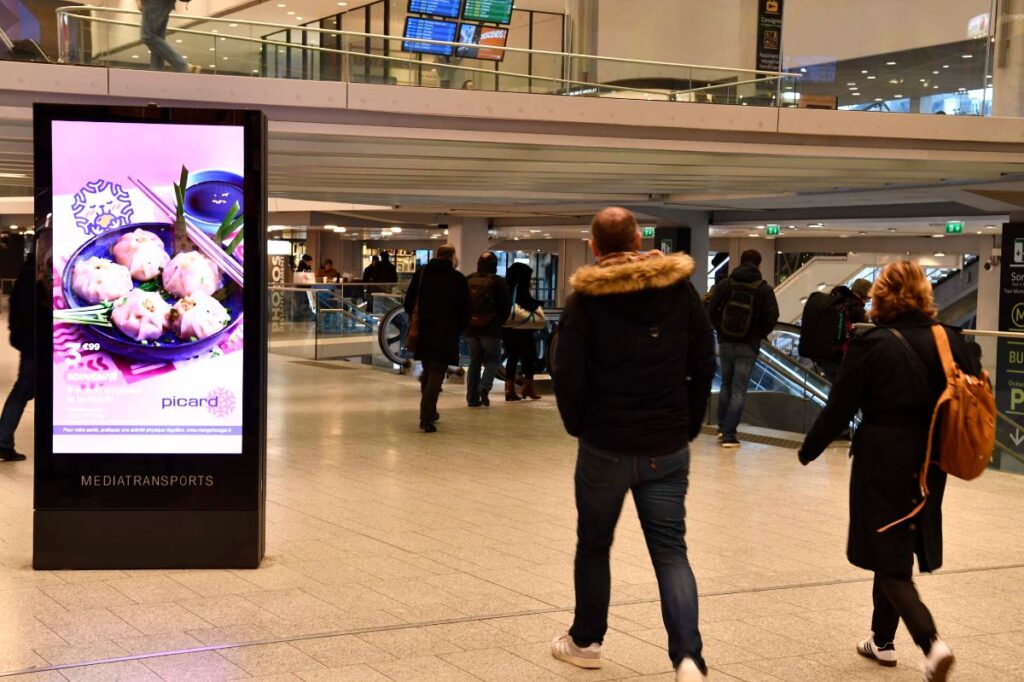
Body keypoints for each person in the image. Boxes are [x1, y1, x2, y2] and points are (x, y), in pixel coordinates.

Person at [550, 207, 715, 682]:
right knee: (670, 551)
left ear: (593, 246)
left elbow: (568, 373)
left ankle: (585, 641)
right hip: (667, 443)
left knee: (594, 545)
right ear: (640, 239)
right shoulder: (680, 292)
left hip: (604, 444)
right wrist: (686, 421)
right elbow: (705, 359)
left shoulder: (586, 301)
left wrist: (578, 424)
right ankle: (687, 658)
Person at [798, 262, 972, 682]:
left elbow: (840, 405)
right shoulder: (951, 340)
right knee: (899, 542)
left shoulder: (871, 342)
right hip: (933, 459)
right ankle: (882, 638)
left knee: (887, 555)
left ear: (883, 296)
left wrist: (810, 449)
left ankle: (932, 644)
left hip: (882, 458)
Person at [707, 249, 779, 448]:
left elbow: (711, 310)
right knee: (739, 390)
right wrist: (757, 334)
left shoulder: (725, 284)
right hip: (748, 345)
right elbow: (772, 316)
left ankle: (722, 428)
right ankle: (729, 435)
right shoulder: (763, 289)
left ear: (741, 261)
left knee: (725, 386)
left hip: (725, 342)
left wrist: (721, 331)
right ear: (759, 264)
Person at [403, 244, 469, 433]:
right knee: (437, 373)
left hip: (423, 331)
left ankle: (431, 412)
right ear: (452, 258)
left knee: (428, 370)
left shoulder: (422, 275)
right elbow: (465, 309)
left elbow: (408, 303)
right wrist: (457, 328)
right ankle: (426, 416)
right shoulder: (457, 279)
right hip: (446, 333)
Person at [0, 252, 36, 461]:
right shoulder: (35, 273)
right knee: (24, 388)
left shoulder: (26, 271)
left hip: (28, 339)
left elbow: (16, 303)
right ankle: (3, 440)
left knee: (23, 388)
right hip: (35, 339)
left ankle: (4, 440)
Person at [464, 252, 510, 407]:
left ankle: (471, 398)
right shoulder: (498, 281)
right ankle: (484, 388)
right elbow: (505, 306)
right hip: (491, 328)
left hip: (471, 328)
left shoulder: (469, 279)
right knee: (493, 360)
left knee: (474, 362)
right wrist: (499, 322)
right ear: (495, 265)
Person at [815, 278, 872, 383]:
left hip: (824, 357)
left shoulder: (833, 301)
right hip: (842, 359)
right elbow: (867, 335)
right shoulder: (856, 309)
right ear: (864, 294)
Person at [503, 262, 543, 401]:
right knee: (529, 357)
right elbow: (527, 303)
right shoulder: (520, 287)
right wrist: (539, 304)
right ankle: (528, 387)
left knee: (512, 357)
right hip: (521, 329)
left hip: (507, 328)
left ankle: (510, 389)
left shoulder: (506, 287)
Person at [138, 0, 195, 73]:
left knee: (147, 36)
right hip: (166, 4)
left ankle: (183, 65)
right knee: (157, 42)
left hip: (154, 2)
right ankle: (156, 76)